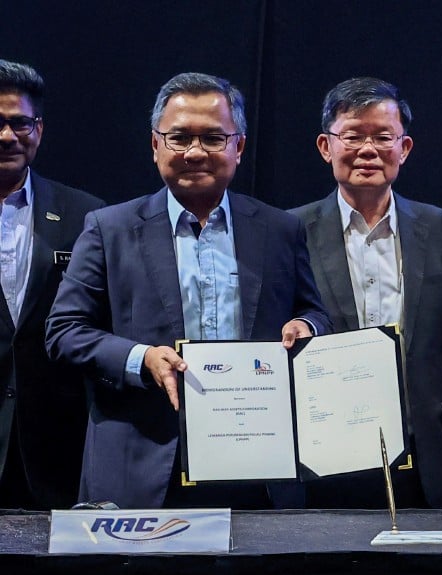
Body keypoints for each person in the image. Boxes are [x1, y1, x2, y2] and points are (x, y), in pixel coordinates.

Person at [45, 72, 331, 509]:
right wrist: (141, 359)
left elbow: (314, 312)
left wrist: (306, 325)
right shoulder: (110, 228)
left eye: (214, 138)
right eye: (179, 138)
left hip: (258, 464)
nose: (195, 152)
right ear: (155, 144)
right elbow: (63, 331)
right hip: (143, 466)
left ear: (239, 146)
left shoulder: (279, 229)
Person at [291, 77, 442, 509]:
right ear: (326, 146)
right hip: (325, 457)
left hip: (426, 453)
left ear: (404, 148)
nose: (368, 150)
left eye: (383, 136)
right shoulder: (289, 231)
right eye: (353, 136)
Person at [0, 60, 104, 509]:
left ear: (38, 128)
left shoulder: (87, 216)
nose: (7, 136)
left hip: (56, 449)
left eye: (19, 123)